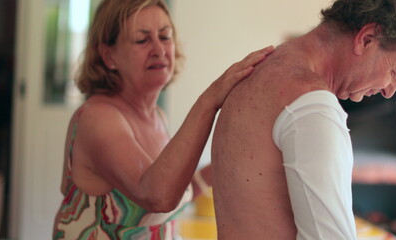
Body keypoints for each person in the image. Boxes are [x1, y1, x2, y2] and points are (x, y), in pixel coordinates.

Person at [211, 0, 396, 239]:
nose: (390, 91)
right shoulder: (311, 108)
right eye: (395, 72)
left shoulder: (259, 69)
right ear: (366, 39)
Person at [52, 0, 274, 239]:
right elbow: (157, 196)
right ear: (108, 56)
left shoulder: (157, 116)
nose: (159, 49)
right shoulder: (97, 118)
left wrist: (231, 160)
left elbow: (177, 189)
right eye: (142, 39)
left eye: (165, 37)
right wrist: (210, 99)